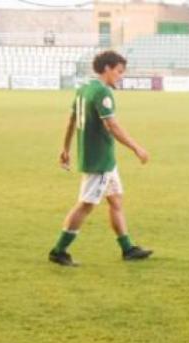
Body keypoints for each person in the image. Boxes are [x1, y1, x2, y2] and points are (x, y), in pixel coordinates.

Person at [48, 50, 152, 267]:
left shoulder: (84, 89)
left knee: (115, 199)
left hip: (103, 160)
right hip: (99, 160)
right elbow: (112, 125)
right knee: (85, 205)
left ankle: (128, 248)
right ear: (107, 69)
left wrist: (65, 148)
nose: (120, 76)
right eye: (119, 71)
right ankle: (59, 250)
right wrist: (136, 148)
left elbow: (71, 120)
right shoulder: (102, 93)